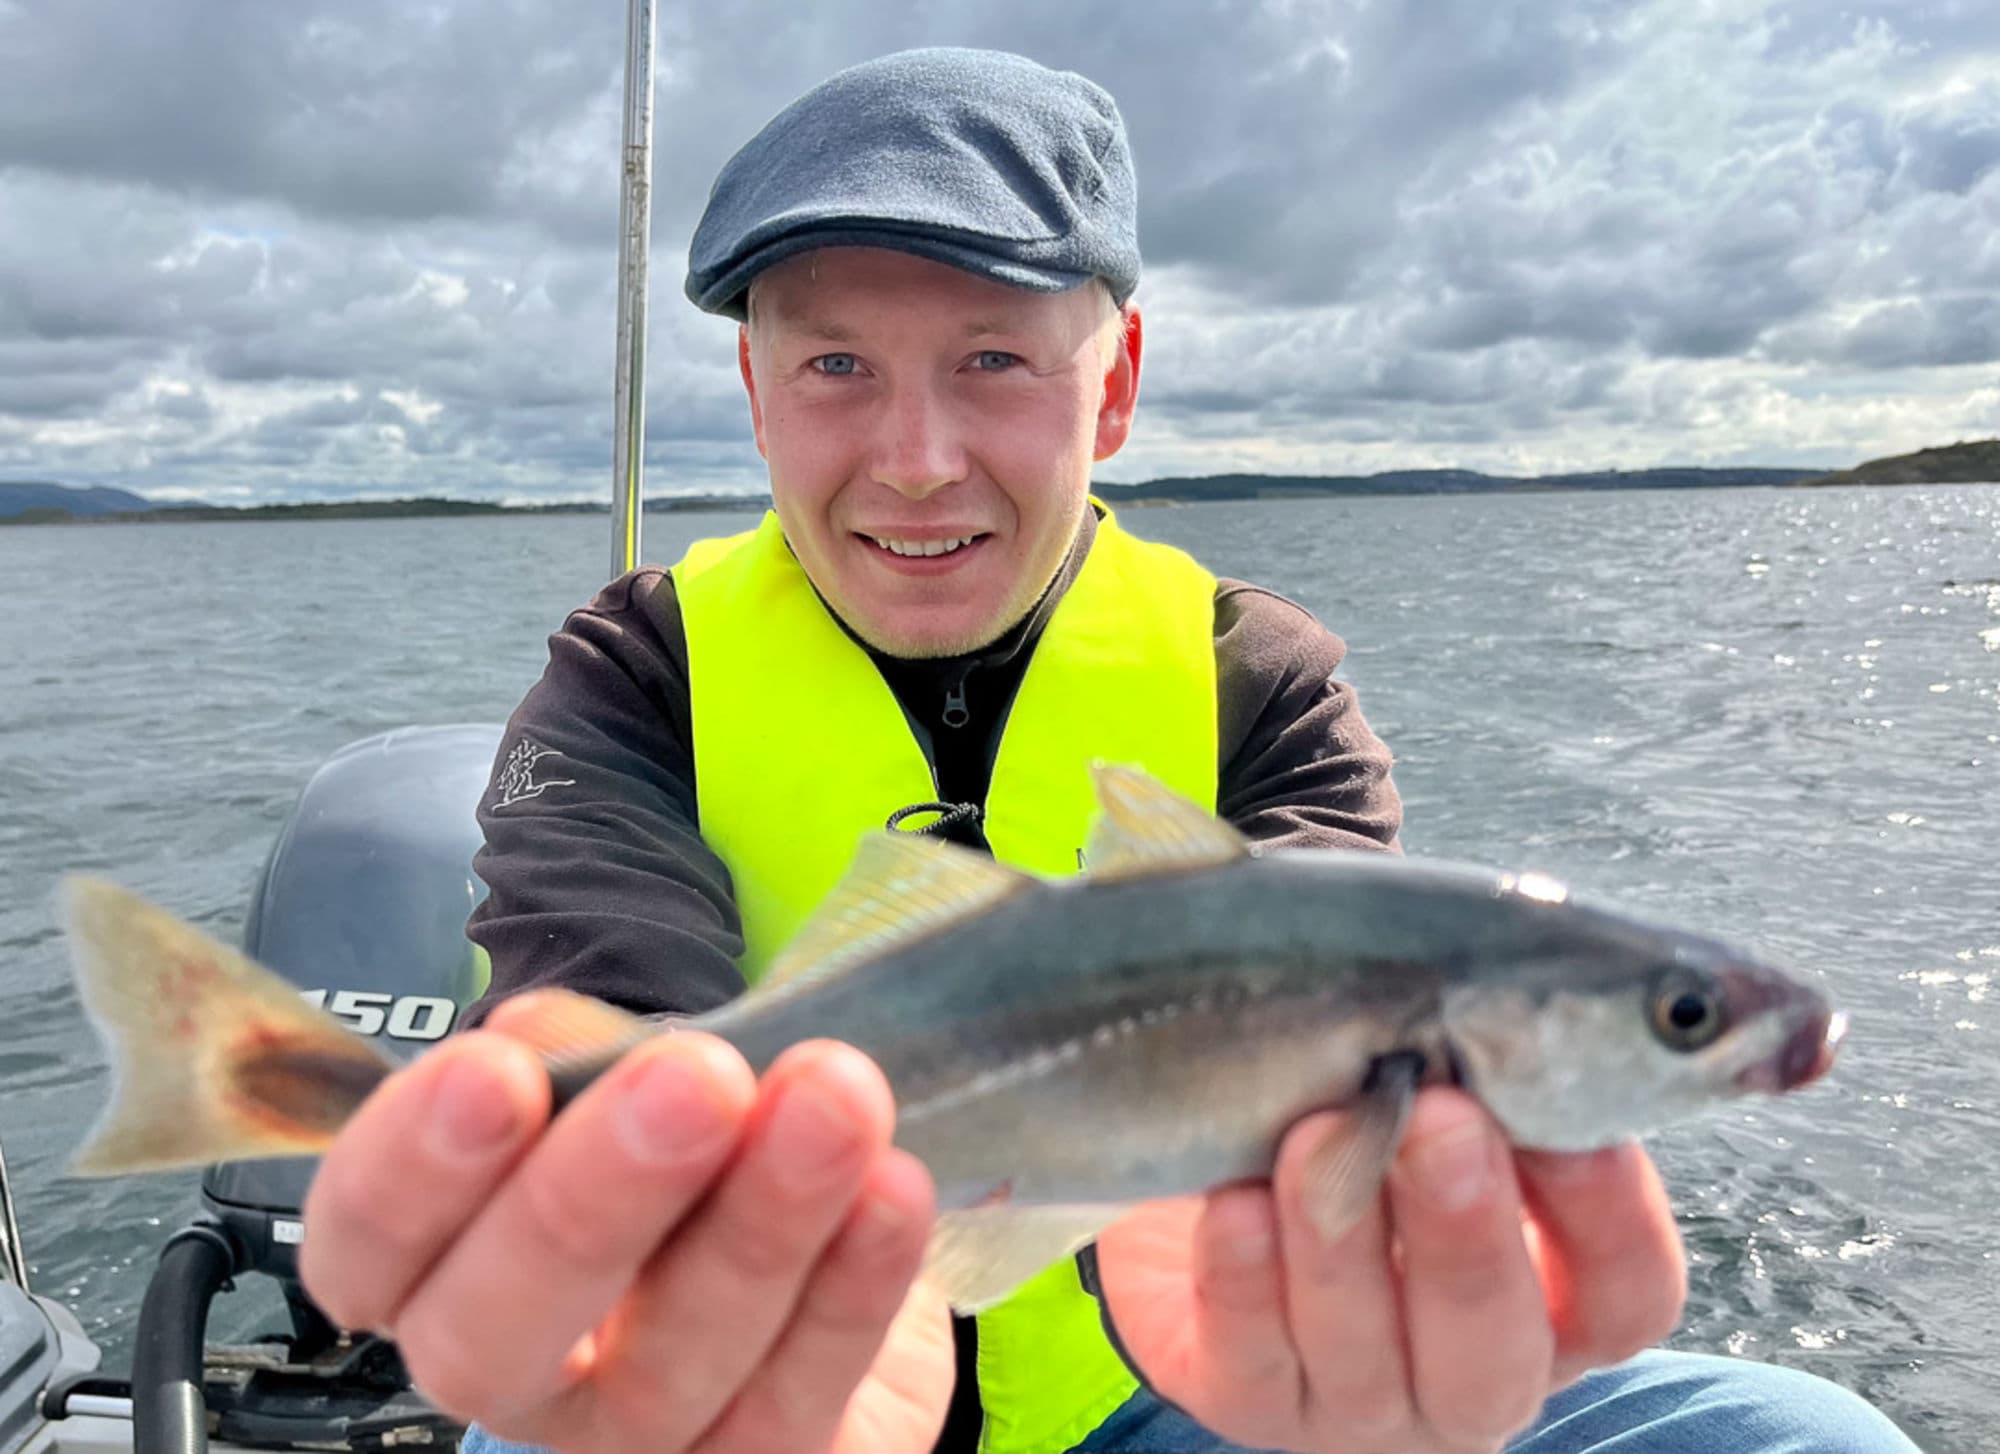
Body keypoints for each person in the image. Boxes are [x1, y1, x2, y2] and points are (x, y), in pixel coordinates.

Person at [297, 47, 1920, 1454]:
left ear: (1117, 383)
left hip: (1206, 1385)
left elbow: (1328, 1065)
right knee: (544, 1406)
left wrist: (1350, 1311)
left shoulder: (1257, 680)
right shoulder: (634, 668)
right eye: (836, 365)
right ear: (757, 391)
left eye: (995, 359)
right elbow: (607, 1015)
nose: (916, 461)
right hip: (743, 1369)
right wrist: (683, 1258)